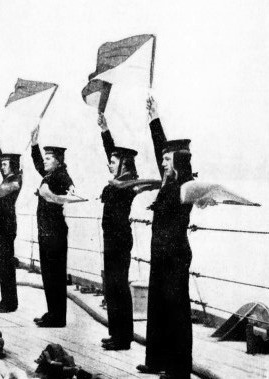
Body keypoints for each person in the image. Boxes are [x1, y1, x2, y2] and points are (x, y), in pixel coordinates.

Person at [137, 97, 194, 379]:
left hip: (175, 255)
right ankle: (156, 360)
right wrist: (153, 119)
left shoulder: (186, 186)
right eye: (162, 159)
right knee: (157, 307)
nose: (162, 162)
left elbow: (176, 156)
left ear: (179, 162)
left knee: (176, 312)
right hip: (160, 253)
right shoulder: (168, 183)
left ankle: (178, 369)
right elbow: (163, 145)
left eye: (167, 160)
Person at [96, 113, 138, 350]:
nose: (110, 163)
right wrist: (105, 130)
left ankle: (124, 338)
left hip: (120, 240)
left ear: (124, 164)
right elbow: (112, 154)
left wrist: (108, 136)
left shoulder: (129, 182)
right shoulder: (118, 180)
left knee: (119, 286)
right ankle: (115, 333)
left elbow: (117, 161)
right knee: (111, 286)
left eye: (114, 161)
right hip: (110, 239)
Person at [30, 125, 75, 328]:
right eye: (45, 157)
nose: (45, 161)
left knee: (56, 276)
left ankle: (58, 317)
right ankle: (52, 313)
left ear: (57, 161)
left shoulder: (62, 176)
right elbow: (39, 164)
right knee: (48, 275)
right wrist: (34, 144)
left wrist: (49, 195)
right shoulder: (50, 175)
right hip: (46, 232)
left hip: (55, 233)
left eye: (49, 158)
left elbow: (72, 196)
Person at [0, 124, 22, 313]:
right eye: (2, 164)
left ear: (13, 165)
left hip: (7, 226)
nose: (2, 165)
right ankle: (6, 300)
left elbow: (5, 189)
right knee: (4, 264)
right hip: (1, 226)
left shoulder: (16, 180)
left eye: (6, 164)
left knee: (7, 265)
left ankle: (9, 303)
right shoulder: (8, 177)